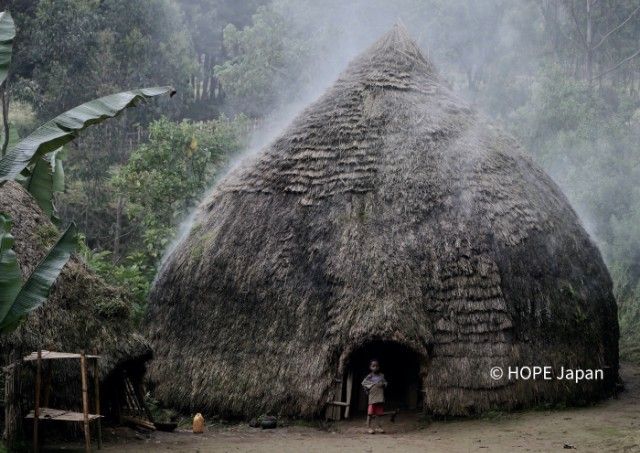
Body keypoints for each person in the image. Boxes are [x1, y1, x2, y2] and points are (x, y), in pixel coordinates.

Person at [361, 359, 387, 434]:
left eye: (377, 366)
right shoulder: (369, 376)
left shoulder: (382, 375)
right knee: (370, 413)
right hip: (372, 397)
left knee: (379, 413)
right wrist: (366, 391)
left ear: (379, 367)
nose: (375, 367)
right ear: (370, 367)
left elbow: (385, 382)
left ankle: (378, 427)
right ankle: (368, 427)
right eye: (373, 366)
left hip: (380, 397)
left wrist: (384, 384)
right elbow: (364, 384)